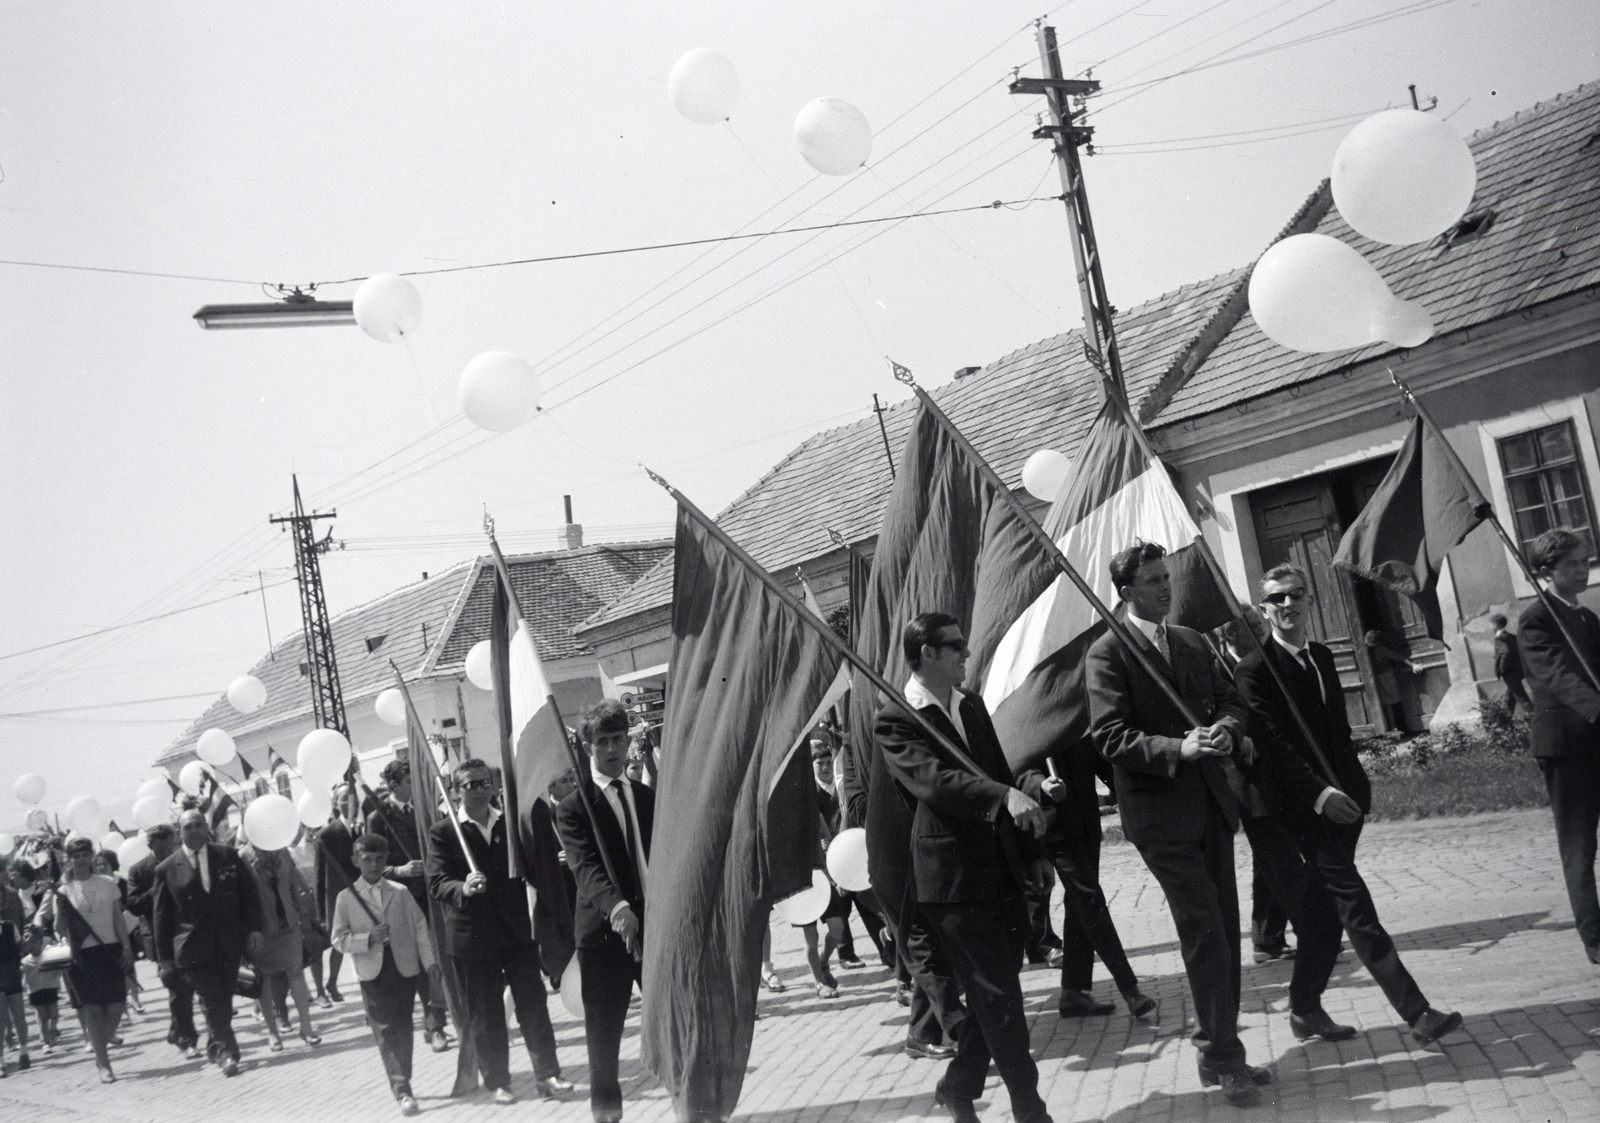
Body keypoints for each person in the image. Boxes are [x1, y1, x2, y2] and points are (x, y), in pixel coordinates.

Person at [1237, 563, 1465, 1045]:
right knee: (1354, 904)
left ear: (1309, 601)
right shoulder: (1255, 668)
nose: (1287, 605)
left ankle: (1303, 1009)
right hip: (1298, 809)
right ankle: (1417, 1012)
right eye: (1276, 599)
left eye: (1295, 595)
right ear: (1263, 610)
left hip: (1344, 801)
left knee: (1321, 918)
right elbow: (1274, 746)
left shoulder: (1320, 656)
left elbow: (1336, 733)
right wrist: (1322, 794)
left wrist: (1353, 789)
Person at [1085, 543, 1264, 1105]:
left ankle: (1215, 1042)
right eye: (1154, 580)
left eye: (1167, 578)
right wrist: (1178, 747)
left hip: (1212, 805)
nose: (1167, 587)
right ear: (1127, 591)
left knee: (1222, 930)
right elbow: (1109, 736)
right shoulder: (1108, 654)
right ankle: (1226, 1058)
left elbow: (1232, 700)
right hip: (1160, 819)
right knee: (1205, 929)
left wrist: (1227, 733)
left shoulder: (1189, 640)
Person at [875, 612, 1052, 1123]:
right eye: (955, 647)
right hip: (949, 881)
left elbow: (997, 773)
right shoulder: (896, 718)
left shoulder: (969, 705)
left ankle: (958, 1085)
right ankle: (1030, 1109)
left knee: (997, 990)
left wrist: (1032, 854)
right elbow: (936, 784)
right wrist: (1003, 797)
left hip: (999, 868)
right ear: (925, 653)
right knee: (999, 994)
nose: (965, 655)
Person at [427, 757, 571, 1105]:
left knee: (534, 1005)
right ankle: (499, 1082)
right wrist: (461, 887)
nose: (479, 790)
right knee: (487, 1015)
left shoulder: (509, 823)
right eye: (470, 784)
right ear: (456, 791)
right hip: (472, 938)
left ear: (493, 786)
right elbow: (436, 881)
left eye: (484, 782)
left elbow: (533, 864)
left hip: (516, 932)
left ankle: (548, 1074)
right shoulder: (445, 832)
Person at [558, 699, 654, 1123]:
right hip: (603, 934)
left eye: (618, 739)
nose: (613, 750)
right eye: (603, 742)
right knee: (604, 1036)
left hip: (653, 926)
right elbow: (585, 868)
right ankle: (607, 1113)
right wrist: (616, 906)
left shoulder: (647, 797)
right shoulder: (574, 807)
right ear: (587, 746)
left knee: (671, 1016)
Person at [1015, 735, 1155, 1022]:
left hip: (1086, 823)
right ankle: (1130, 989)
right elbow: (1017, 760)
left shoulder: (1075, 714)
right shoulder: (1031, 706)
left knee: (1079, 904)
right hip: (1051, 826)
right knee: (1090, 899)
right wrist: (1039, 784)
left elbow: (1102, 759)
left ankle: (1073, 992)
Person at [1518, 528, 1600, 967]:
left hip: (1596, 739)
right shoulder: (1536, 619)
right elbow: (1555, 676)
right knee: (1579, 846)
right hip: (1565, 745)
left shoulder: (1586, 619)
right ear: (1546, 572)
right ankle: (1594, 938)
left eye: (1585, 561)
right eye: (1572, 564)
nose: (1582, 570)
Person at [152, 808, 265, 1077]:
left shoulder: (227, 856)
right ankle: (227, 1054)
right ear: (179, 832)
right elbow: (161, 918)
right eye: (187, 827)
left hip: (228, 942)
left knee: (224, 998)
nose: (193, 831)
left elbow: (249, 894)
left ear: (207, 828)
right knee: (212, 999)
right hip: (191, 947)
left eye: (198, 825)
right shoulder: (166, 868)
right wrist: (164, 959)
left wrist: (255, 929)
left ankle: (217, 1046)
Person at [333, 833, 437, 1117]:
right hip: (372, 973)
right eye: (367, 859)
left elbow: (419, 928)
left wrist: (429, 963)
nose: (374, 864)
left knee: (403, 1026)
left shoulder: (400, 892)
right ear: (356, 861)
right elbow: (338, 939)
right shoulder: (346, 897)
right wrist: (367, 939)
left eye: (380, 859)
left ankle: (403, 1079)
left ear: (387, 860)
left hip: (403, 967)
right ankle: (403, 1090)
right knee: (385, 1031)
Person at [366, 758, 451, 1053]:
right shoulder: (378, 818)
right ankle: (430, 1024)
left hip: (429, 898)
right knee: (412, 966)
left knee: (432, 962)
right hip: (399, 902)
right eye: (408, 781)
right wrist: (398, 871)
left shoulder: (423, 811)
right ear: (393, 785)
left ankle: (436, 1025)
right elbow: (371, 867)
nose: (415, 786)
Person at [53, 835, 135, 1083]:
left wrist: (127, 948)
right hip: (82, 956)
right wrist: (60, 908)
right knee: (93, 1011)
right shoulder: (63, 890)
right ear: (68, 859)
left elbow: (118, 919)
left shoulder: (108, 883)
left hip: (109, 950)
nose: (80, 860)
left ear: (91, 856)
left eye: (84, 854)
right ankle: (104, 1063)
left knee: (117, 1006)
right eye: (75, 856)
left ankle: (102, 1039)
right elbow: (59, 929)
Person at [126, 822, 199, 1058]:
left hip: (187, 933)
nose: (168, 851)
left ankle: (177, 1029)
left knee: (185, 988)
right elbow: (134, 904)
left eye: (172, 846)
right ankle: (187, 1039)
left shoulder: (184, 861)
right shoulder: (139, 870)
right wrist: (159, 888)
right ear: (151, 846)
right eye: (162, 848)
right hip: (161, 938)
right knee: (177, 987)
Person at [239, 840, 321, 1051]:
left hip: (289, 926)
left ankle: (307, 1028)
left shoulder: (282, 851)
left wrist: (303, 917)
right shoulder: (241, 857)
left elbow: (293, 883)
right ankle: (272, 1031)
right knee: (264, 982)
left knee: (297, 975)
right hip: (260, 930)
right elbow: (240, 897)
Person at [316, 783, 361, 1006]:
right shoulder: (327, 834)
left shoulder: (363, 828)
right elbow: (319, 876)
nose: (350, 802)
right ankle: (332, 982)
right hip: (340, 898)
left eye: (353, 797)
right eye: (344, 798)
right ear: (336, 803)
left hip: (364, 896)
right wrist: (322, 914)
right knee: (340, 944)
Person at [0, 860, 31, 1076]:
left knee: (18, 1012)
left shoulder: (13, 895)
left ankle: (24, 1051)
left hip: (11, 960)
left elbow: (21, 922)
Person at [1492, 613, 1533, 716]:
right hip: (1518, 671)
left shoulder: (1499, 638)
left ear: (1495, 624)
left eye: (1491, 624)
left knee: (1521, 698)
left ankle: (1535, 718)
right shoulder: (1512, 637)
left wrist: (1502, 669)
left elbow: (1506, 652)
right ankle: (1505, 720)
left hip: (1509, 673)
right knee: (1511, 697)